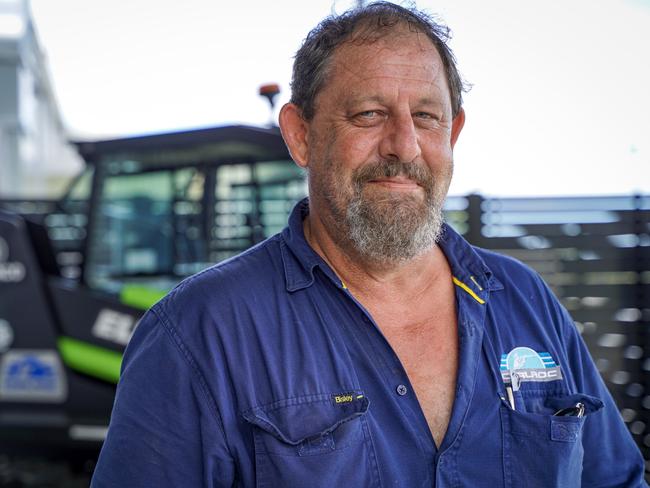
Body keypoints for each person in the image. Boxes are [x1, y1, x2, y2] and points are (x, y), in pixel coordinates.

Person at [91, 3, 647, 487]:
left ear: (451, 135)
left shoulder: (525, 301)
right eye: (369, 114)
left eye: (426, 117)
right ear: (301, 135)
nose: (404, 146)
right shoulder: (199, 333)